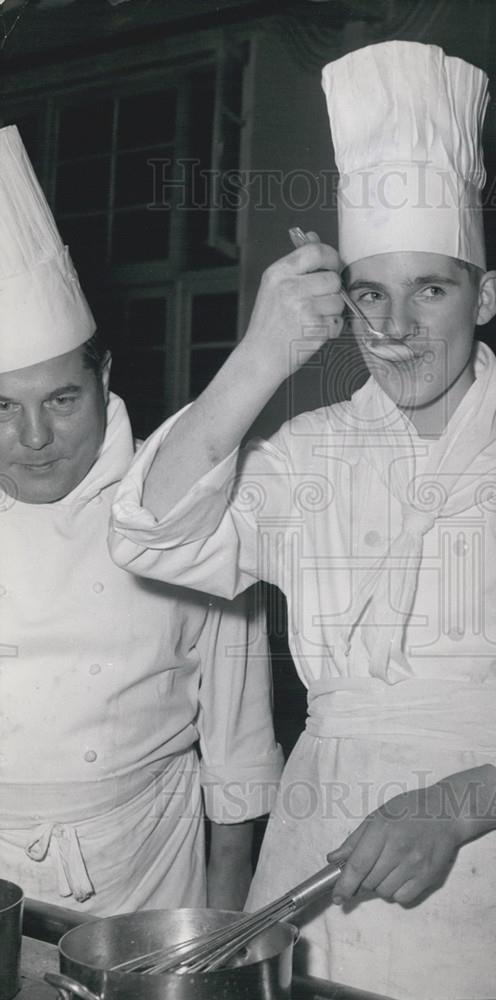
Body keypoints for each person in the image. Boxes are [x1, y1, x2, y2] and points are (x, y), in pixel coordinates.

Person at [109, 41, 496, 999]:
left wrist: (451, 806)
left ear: (483, 295)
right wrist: (260, 358)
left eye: (428, 291)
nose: (394, 328)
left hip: (481, 875)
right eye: (370, 294)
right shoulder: (313, 451)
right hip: (311, 850)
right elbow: (154, 534)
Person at [0, 124, 283, 916]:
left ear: (106, 379)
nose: (34, 440)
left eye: (61, 399)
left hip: (147, 868)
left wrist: (221, 926)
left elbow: (238, 745)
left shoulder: (185, 506)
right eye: (2, 408)